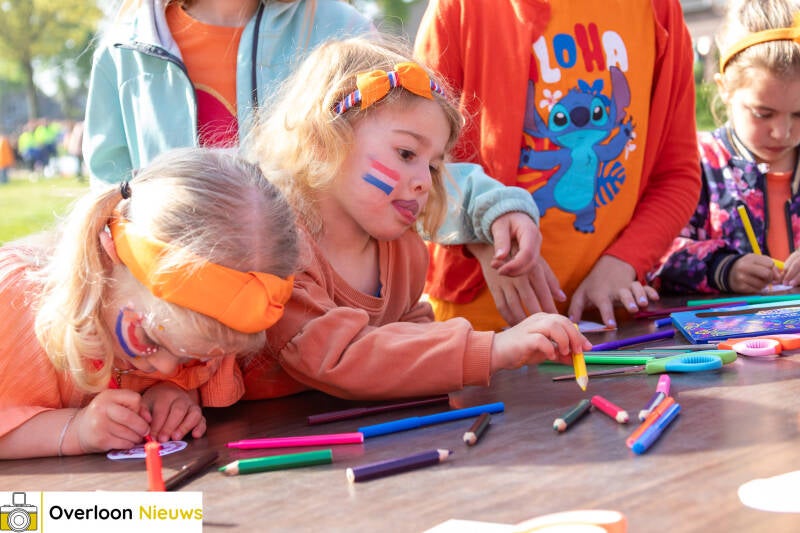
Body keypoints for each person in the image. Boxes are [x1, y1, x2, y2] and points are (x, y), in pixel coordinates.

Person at [82, 0, 558, 326]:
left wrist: (484, 212)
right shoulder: (122, 51)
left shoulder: (338, 24)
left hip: (299, 316)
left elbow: (409, 150)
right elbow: (112, 201)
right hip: (189, 328)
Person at [239, 36, 591, 401]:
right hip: (263, 430)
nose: (425, 181)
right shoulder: (278, 250)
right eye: (407, 153)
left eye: (434, 166)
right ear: (325, 139)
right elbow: (338, 354)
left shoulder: (403, 251)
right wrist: (493, 349)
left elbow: (411, 338)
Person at [414, 0, 702, 330]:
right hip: (476, 326)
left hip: (605, 325)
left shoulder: (660, 10)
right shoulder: (463, 7)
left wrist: (624, 261)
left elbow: (676, 176)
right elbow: (415, 161)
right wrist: (482, 238)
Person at [0, 147, 298, 458]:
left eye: (192, 359)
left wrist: (176, 393)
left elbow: (186, 379)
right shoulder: (13, 304)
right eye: (148, 339)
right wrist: (76, 431)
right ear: (110, 255)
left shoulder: (206, 318)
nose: (167, 368)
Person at [650, 0, 800, 294]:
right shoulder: (695, 164)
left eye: (799, 114)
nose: (782, 132)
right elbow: (655, 251)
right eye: (763, 114)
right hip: (722, 323)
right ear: (724, 89)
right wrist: (722, 268)